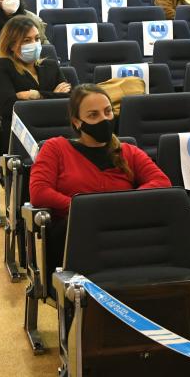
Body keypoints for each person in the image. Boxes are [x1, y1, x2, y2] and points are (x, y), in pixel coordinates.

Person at [29, 83, 171, 280]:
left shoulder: (128, 151)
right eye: (93, 115)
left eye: (107, 112)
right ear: (77, 122)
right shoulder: (55, 148)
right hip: (77, 233)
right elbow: (39, 192)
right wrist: (84, 208)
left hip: (125, 232)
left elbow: (161, 181)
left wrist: (123, 204)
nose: (104, 119)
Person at [0, 15, 70, 153]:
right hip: (22, 135)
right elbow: (8, 106)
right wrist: (54, 96)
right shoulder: (2, 67)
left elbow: (70, 99)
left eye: (37, 39)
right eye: (27, 40)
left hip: (57, 129)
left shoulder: (50, 65)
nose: (34, 43)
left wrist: (34, 95)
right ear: (12, 45)